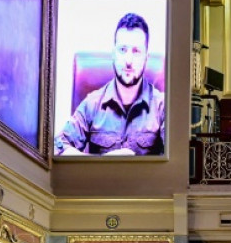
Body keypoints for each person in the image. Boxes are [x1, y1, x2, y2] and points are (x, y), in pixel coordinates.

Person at [56, 13, 165, 156]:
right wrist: (101, 162)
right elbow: (58, 146)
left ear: (146, 57)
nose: (128, 61)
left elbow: (177, 156)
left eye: (136, 51)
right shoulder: (92, 104)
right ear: (113, 54)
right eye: (122, 50)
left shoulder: (161, 106)